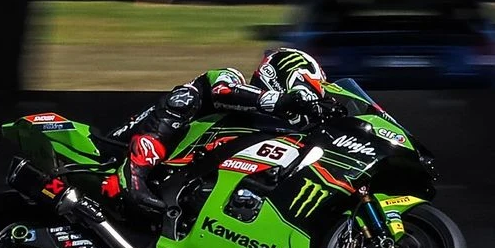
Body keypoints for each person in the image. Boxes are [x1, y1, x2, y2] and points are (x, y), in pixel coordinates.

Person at [108, 48, 331, 215]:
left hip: (183, 178)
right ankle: (133, 174)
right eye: (304, 94)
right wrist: (283, 100)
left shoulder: (266, 131)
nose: (304, 107)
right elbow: (221, 91)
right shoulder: (230, 78)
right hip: (116, 148)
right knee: (186, 97)